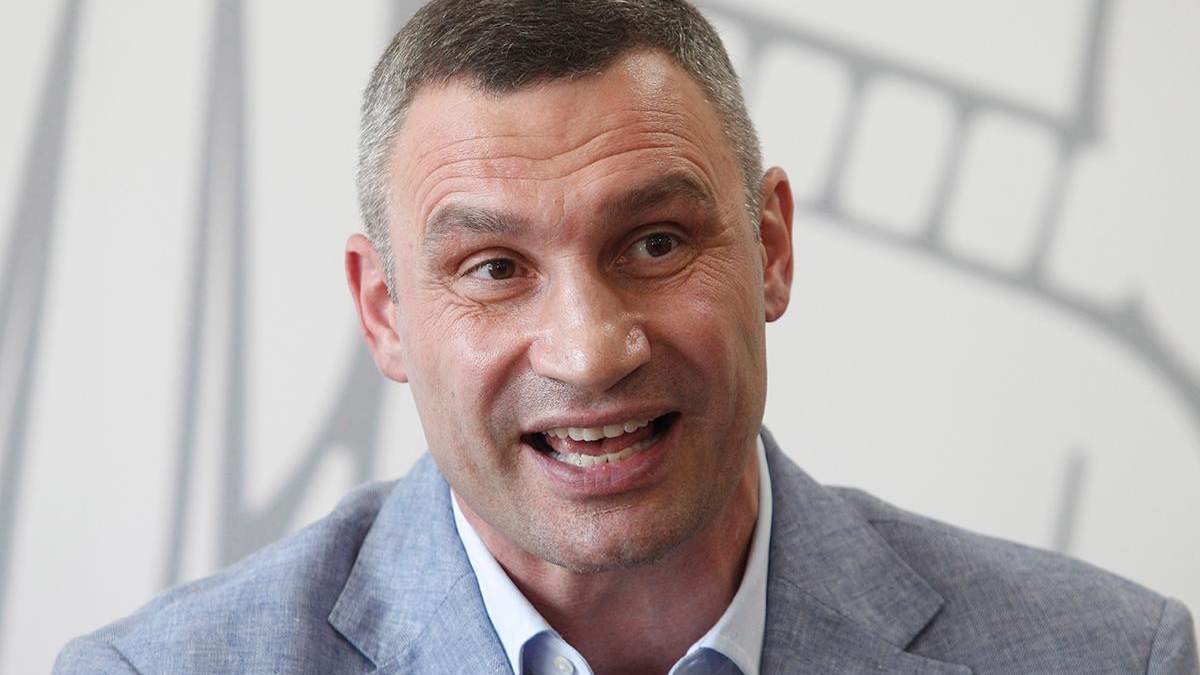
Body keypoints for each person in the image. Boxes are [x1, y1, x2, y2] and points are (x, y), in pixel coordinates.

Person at [56, 0, 1198, 673]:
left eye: (654, 242)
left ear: (772, 248)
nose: (590, 349)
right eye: (494, 268)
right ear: (385, 311)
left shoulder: (1111, 656)